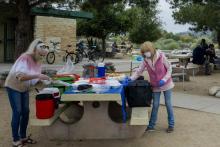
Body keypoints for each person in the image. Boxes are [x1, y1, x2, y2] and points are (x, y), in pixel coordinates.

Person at [5, 39, 50, 147]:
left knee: (26, 112)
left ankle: (23, 137)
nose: (41, 57)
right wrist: (38, 76)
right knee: (18, 111)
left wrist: (45, 81)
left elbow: (33, 80)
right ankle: (16, 140)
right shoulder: (25, 58)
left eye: (43, 55)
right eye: (40, 54)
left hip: (24, 88)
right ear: (34, 50)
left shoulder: (38, 61)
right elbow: (21, 77)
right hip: (13, 86)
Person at [130, 41, 175, 133]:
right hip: (155, 85)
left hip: (166, 84)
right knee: (155, 105)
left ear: (151, 49)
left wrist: (164, 79)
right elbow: (139, 71)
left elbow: (169, 69)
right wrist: (131, 79)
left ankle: (171, 125)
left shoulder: (161, 57)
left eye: (147, 51)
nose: (146, 53)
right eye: (144, 52)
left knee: (168, 103)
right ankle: (151, 125)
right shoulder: (145, 60)